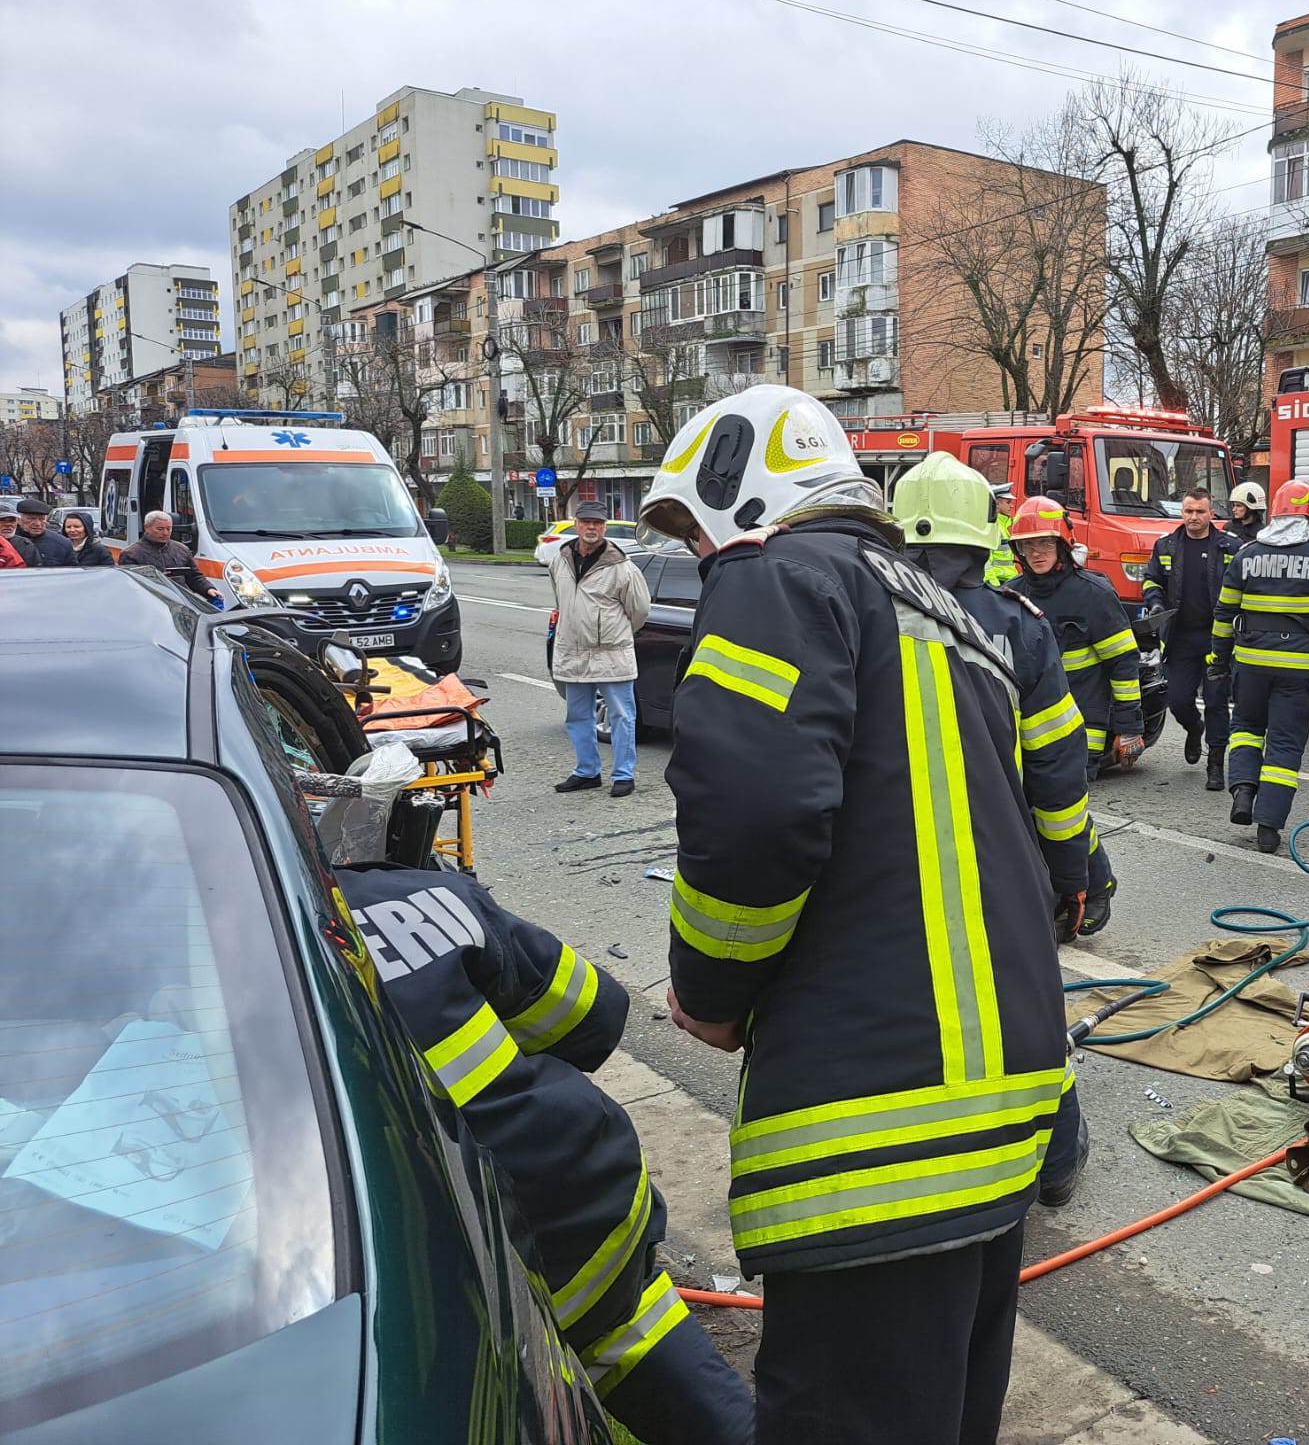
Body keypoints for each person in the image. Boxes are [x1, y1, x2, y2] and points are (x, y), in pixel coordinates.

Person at [642, 384, 1068, 1445]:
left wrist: (711, 988)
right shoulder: (954, 618)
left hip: (873, 1140)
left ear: (741, 493)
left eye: (696, 533)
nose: (700, 559)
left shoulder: (775, 574)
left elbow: (753, 811)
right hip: (996, 1121)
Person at [330, 860, 754, 1445]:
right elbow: (590, 1017)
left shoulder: (213, 968)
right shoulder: (420, 897)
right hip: (584, 1196)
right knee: (630, 1331)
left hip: (446, 1256)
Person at [891, 451, 1107, 1204]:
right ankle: (1053, 1163)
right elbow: (1056, 768)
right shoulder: (1019, 626)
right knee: (1028, 1003)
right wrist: (1073, 876)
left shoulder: (855, 614)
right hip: (1004, 859)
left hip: (891, 860)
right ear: (987, 540)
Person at [1211, 480, 1309, 854]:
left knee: (1245, 728)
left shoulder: (1246, 555)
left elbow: (1225, 611)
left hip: (1251, 665)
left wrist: (1219, 658)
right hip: (1298, 669)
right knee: (1284, 745)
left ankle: (1243, 793)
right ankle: (1269, 828)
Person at [1008, 497, 1143, 778]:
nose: (1037, 553)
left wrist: (1129, 728)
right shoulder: (1010, 596)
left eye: (1046, 543)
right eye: (1028, 545)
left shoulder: (1093, 594)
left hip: (1082, 724)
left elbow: (1123, 663)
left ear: (1062, 544)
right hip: (1026, 726)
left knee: (1070, 808)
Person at [1140, 488, 1241, 791]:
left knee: (1216, 702)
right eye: (1188, 511)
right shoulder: (1166, 545)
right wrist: (1156, 602)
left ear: (1212, 514)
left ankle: (1215, 764)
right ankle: (1194, 728)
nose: (1193, 517)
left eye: (1200, 511)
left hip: (1217, 639)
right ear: (1181, 513)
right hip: (1180, 638)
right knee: (1179, 700)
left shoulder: (1231, 547)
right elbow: (1151, 580)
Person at [549, 499, 650, 798]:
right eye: (586, 522)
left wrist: (613, 632)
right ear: (576, 524)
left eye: (597, 523)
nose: (591, 528)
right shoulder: (561, 560)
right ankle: (587, 772)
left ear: (604, 527)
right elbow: (562, 600)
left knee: (621, 716)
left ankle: (623, 775)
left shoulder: (622, 567)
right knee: (578, 716)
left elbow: (640, 610)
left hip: (611, 652)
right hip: (573, 651)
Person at [121, 509, 213, 597]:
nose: (165, 533)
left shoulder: (182, 549)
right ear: (146, 528)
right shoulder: (131, 554)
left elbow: (194, 576)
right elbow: (129, 586)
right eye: (160, 529)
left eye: (169, 529)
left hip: (181, 602)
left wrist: (208, 589)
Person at [14, 498, 75, 567]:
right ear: (18, 520)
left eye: (42, 519)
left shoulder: (62, 543)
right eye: (31, 519)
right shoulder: (6, 542)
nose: (37, 524)